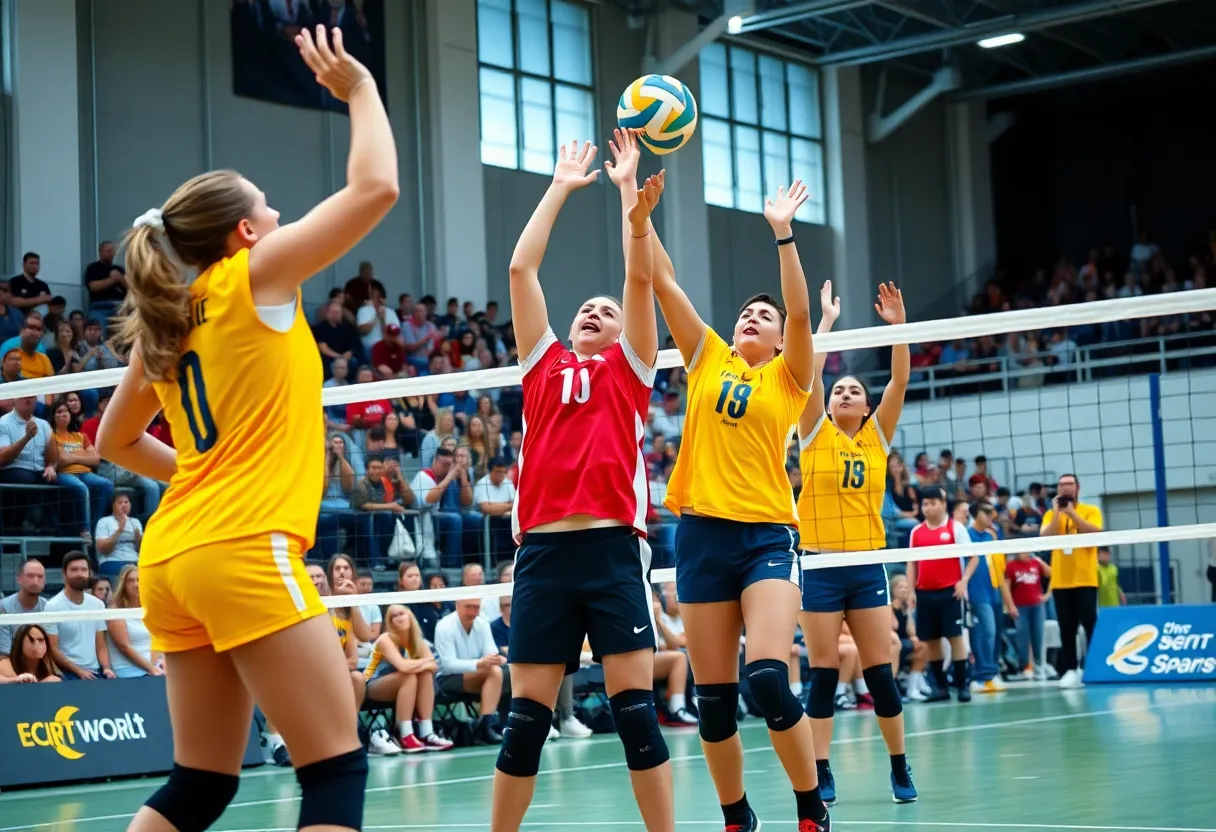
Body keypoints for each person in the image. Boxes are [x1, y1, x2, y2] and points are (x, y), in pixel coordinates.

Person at [94, 25, 397, 832]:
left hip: (170, 555)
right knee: (335, 770)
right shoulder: (249, 279)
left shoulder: (169, 320)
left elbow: (113, 443)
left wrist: (202, 470)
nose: (279, 211)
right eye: (267, 203)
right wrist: (361, 90)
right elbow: (376, 190)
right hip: (244, 546)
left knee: (200, 785)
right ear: (246, 233)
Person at [490, 130, 672, 832]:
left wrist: (630, 199)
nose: (595, 311)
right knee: (524, 724)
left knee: (635, 716)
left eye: (608, 310)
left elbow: (639, 280)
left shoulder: (630, 371)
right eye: (586, 308)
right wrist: (562, 186)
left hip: (610, 551)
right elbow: (519, 270)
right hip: (542, 555)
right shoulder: (542, 367)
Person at [655, 175, 830, 831]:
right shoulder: (707, 357)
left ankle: (810, 808)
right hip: (699, 538)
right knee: (715, 702)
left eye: (766, 316)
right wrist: (635, 212)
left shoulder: (788, 377)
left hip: (764, 539)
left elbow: (804, 314)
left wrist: (782, 231)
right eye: (745, 312)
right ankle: (737, 817)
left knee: (765, 675)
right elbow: (663, 281)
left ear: (783, 339)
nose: (751, 316)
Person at [794, 279, 913, 806]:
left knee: (879, 672)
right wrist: (824, 325)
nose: (844, 393)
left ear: (865, 407)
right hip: (818, 567)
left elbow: (900, 381)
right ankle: (820, 771)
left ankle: (899, 765)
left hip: (866, 564)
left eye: (854, 391)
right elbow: (807, 375)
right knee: (822, 676)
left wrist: (899, 328)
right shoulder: (813, 430)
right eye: (839, 390)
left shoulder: (876, 436)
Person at [906, 487, 978, 704]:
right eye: (925, 504)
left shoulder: (955, 528)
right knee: (931, 641)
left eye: (932, 503)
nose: (928, 508)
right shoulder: (916, 531)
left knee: (955, 638)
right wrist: (911, 591)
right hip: (925, 593)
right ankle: (940, 688)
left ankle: (963, 686)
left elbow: (973, 557)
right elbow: (911, 562)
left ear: (942, 504)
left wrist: (963, 582)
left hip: (950, 593)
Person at [1038, 474, 1103, 688]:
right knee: (1066, 628)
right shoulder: (1050, 513)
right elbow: (1044, 536)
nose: (1065, 488)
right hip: (1061, 580)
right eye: (1062, 485)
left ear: (1078, 487)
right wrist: (1058, 513)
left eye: (1069, 484)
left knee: (1090, 624)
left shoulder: (1091, 511)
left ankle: (1094, 667)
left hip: (1085, 579)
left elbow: (1095, 533)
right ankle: (1070, 669)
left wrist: (1071, 513)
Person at [363, 604, 453, 754]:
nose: (399, 618)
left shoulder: (417, 640)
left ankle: (426, 733)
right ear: (389, 623)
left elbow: (434, 666)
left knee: (423, 675)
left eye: (401, 613)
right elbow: (403, 667)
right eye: (394, 616)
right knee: (409, 676)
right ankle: (405, 734)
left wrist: (419, 665)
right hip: (373, 684)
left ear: (410, 616)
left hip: (403, 685)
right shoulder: (385, 639)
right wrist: (423, 663)